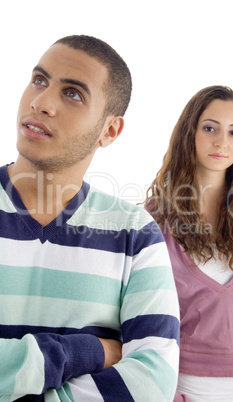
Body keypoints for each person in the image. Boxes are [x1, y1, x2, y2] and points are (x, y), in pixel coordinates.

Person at [0, 35, 180, 401]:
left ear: (109, 130)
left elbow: (152, 383)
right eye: (39, 80)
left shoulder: (136, 234)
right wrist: (87, 352)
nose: (41, 102)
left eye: (73, 94)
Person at [145, 85, 233, 402]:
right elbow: (139, 319)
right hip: (189, 391)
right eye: (210, 127)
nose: (221, 142)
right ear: (190, 132)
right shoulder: (153, 222)